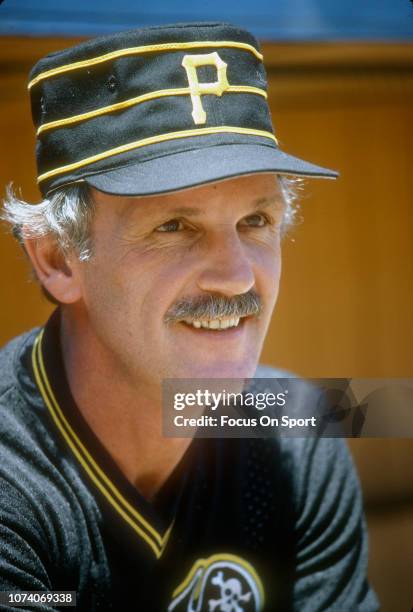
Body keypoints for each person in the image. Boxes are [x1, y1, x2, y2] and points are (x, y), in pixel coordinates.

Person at [0, 22, 378, 611]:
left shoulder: (296, 430)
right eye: (174, 227)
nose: (235, 276)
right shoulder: (12, 488)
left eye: (256, 221)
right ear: (56, 258)